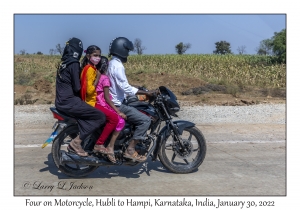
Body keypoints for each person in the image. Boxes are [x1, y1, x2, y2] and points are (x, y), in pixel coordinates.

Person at [106, 37, 157, 162]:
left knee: (135, 104)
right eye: (127, 50)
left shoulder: (111, 63)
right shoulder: (118, 66)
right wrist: (146, 93)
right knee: (145, 120)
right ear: (121, 49)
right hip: (118, 104)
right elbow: (125, 88)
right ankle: (130, 149)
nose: (128, 53)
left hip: (114, 100)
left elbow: (122, 85)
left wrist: (139, 88)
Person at [55, 38, 106, 157]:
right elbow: (78, 87)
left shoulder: (63, 62)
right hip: (69, 101)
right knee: (99, 116)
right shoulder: (73, 63)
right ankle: (76, 143)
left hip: (61, 101)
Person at [80, 46, 125, 163]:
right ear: (88, 56)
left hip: (93, 101)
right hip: (92, 102)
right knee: (115, 119)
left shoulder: (91, 69)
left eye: (99, 56)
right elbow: (91, 91)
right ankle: (100, 144)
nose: (97, 58)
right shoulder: (91, 70)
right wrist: (98, 77)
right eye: (95, 55)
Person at [93, 56, 127, 163]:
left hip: (95, 102)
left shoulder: (95, 75)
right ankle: (109, 146)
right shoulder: (105, 78)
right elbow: (107, 98)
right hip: (101, 103)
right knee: (119, 120)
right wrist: (118, 111)